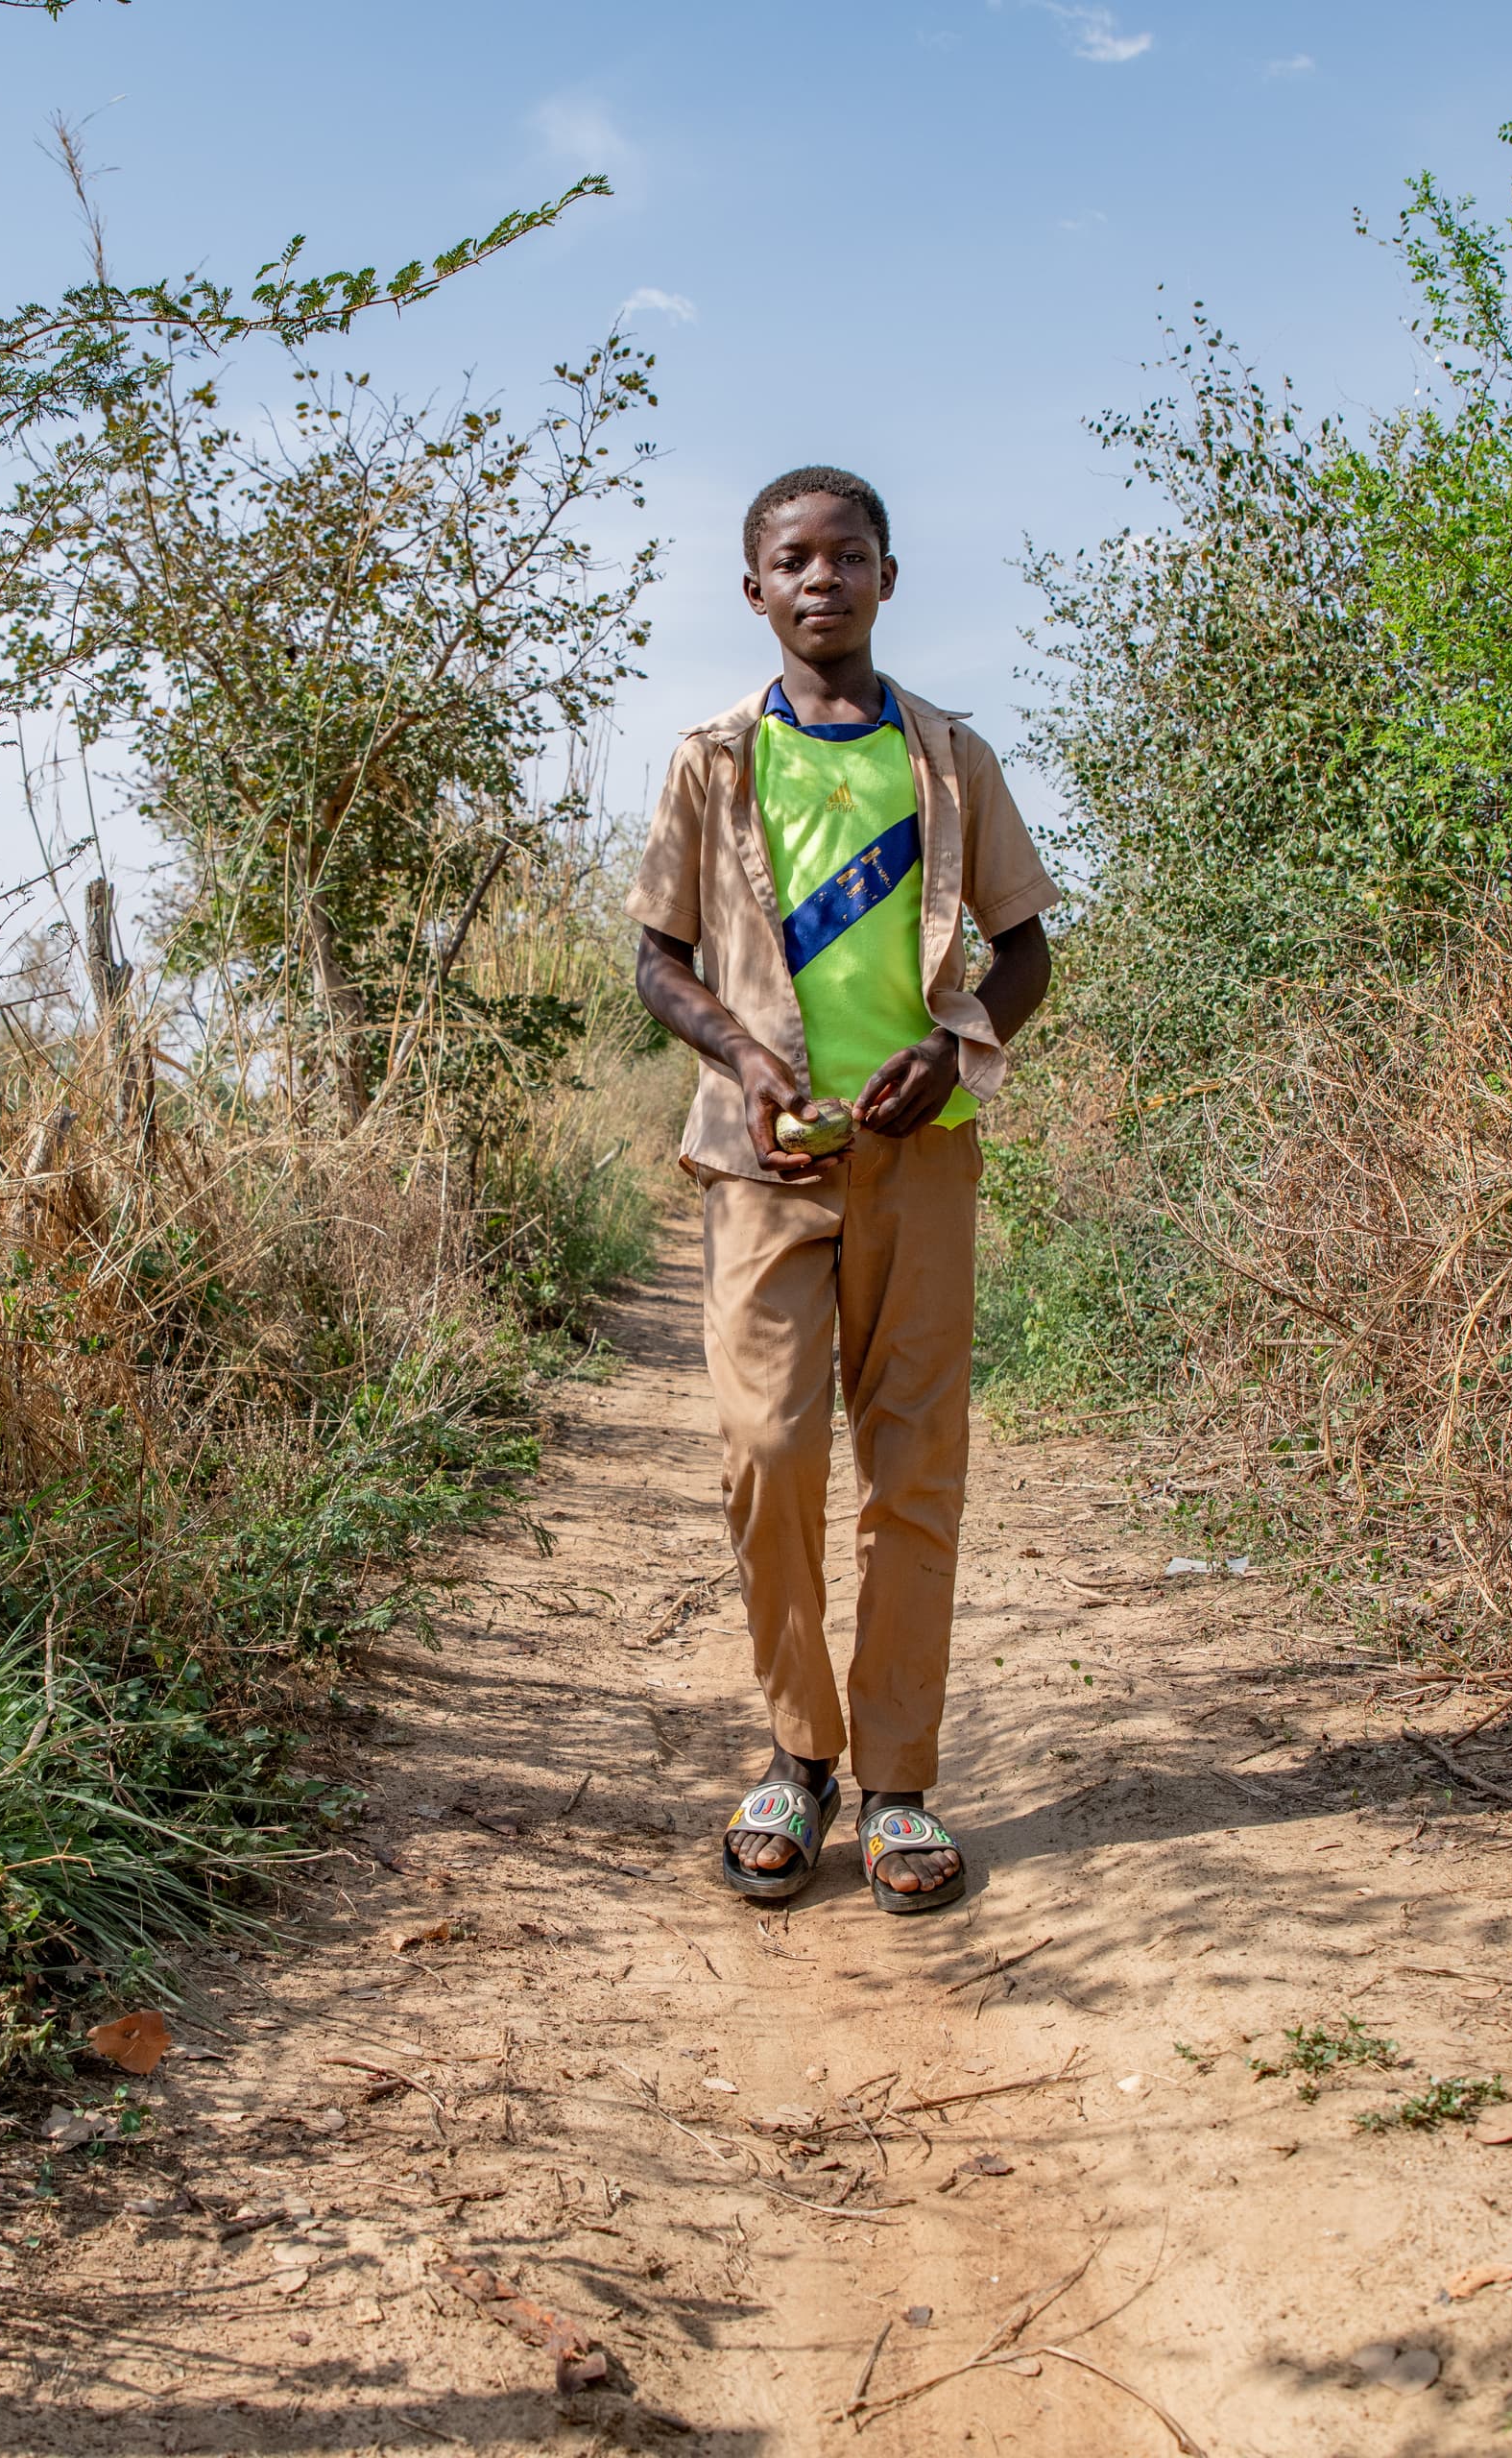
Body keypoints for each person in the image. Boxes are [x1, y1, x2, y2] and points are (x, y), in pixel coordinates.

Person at [626, 466, 1058, 1915]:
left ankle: (899, 1788)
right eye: (793, 560)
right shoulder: (713, 763)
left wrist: (956, 1046)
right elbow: (656, 961)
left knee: (915, 1473)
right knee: (769, 1456)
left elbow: (1027, 948)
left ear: (887, 578)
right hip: (763, 1164)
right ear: (753, 590)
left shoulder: (946, 761)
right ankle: (796, 1754)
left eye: (849, 556)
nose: (823, 579)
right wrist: (743, 1053)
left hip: (918, 1164)